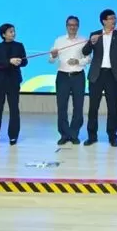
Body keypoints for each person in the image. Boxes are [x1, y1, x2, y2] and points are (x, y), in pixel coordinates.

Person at [82, 9, 117, 147]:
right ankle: (92, 136)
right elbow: (85, 51)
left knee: (113, 108)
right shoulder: (95, 34)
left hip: (112, 75)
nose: (114, 21)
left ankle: (112, 136)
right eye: (111, 18)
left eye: (115, 18)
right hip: (97, 75)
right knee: (93, 107)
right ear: (104, 21)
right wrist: (91, 42)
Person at [49, 15, 91, 145]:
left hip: (78, 76)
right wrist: (53, 56)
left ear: (78, 26)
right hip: (62, 76)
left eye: (75, 25)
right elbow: (51, 60)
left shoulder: (84, 40)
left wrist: (78, 61)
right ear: (66, 26)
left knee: (78, 106)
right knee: (62, 106)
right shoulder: (59, 40)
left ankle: (74, 134)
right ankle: (64, 134)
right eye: (70, 25)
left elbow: (88, 58)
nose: (72, 27)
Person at [0, 23, 27, 146]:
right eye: (10, 31)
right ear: (3, 34)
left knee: (14, 109)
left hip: (14, 81)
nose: (13, 33)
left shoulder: (19, 46)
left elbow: (25, 62)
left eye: (14, 31)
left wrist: (19, 62)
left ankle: (13, 136)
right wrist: (10, 61)